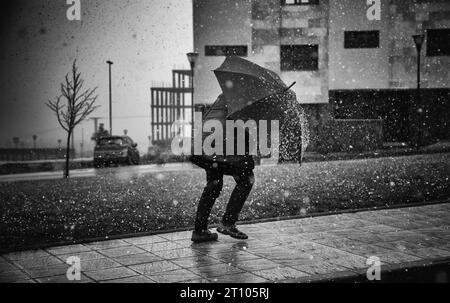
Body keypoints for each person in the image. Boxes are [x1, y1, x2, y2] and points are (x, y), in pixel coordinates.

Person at [191, 94, 255, 243]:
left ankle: (199, 231)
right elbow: (243, 134)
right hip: (221, 147)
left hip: (204, 146)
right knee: (247, 179)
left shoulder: (224, 96)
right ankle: (228, 222)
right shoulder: (247, 101)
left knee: (214, 184)